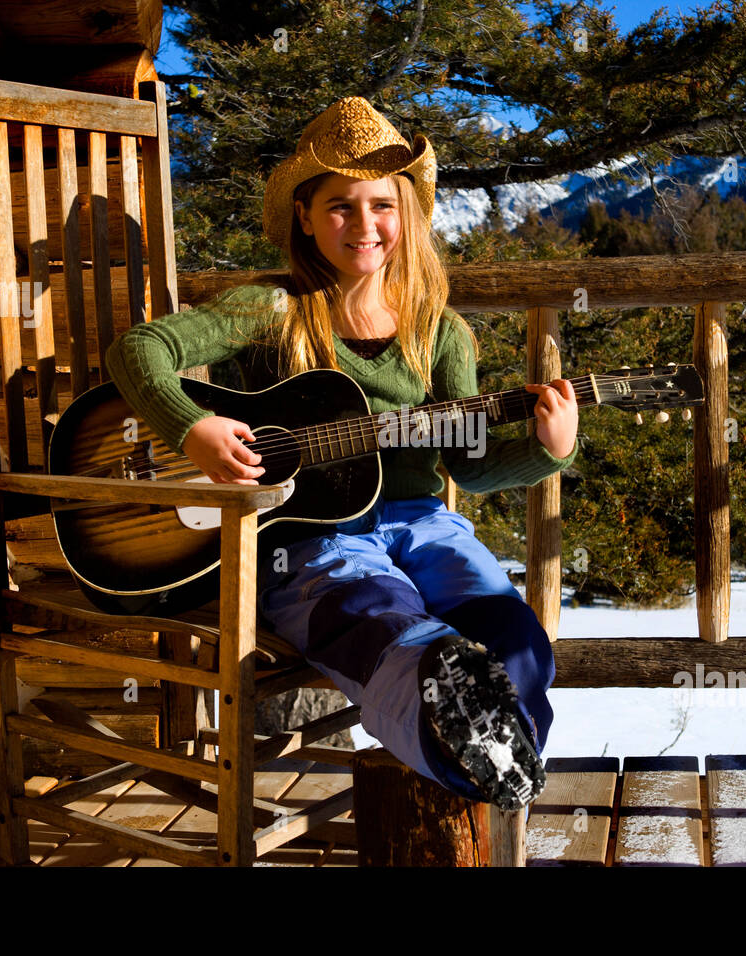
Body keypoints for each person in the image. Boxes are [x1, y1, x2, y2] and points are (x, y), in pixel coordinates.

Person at [105, 96, 579, 810]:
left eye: (381, 205)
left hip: (422, 521)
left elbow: (473, 467)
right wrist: (190, 429)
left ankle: (487, 751)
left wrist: (548, 450)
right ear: (303, 215)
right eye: (340, 206)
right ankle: (460, 731)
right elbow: (138, 348)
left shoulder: (438, 332)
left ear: (407, 213)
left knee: (517, 640)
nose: (364, 226)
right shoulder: (273, 308)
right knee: (376, 617)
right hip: (310, 533)